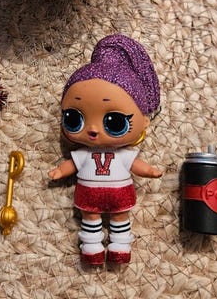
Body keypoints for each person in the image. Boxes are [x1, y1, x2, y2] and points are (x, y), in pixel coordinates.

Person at [48, 34, 162, 265]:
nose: (92, 129)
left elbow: (136, 165)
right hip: (89, 195)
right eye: (74, 118)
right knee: (90, 218)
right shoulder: (84, 154)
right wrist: (59, 172)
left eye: (115, 122)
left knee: (120, 218)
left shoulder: (123, 154)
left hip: (118, 194)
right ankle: (91, 248)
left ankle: (120, 247)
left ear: (144, 121)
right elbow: (72, 164)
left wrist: (150, 171)